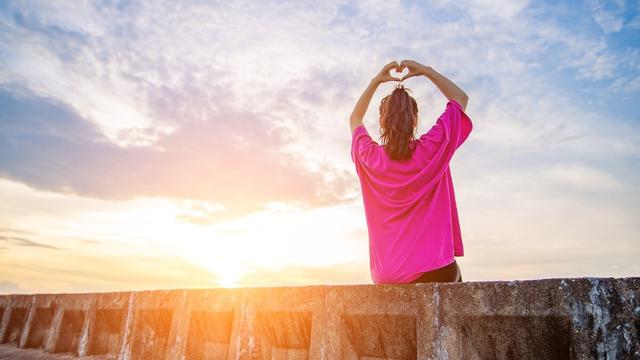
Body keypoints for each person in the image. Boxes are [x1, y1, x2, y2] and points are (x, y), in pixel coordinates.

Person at [349, 59, 472, 284]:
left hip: (387, 275)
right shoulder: (432, 149)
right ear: (415, 120)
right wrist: (426, 71)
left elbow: (355, 118)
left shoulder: (370, 157)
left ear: (382, 122)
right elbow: (460, 99)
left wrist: (376, 81)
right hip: (434, 268)